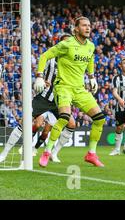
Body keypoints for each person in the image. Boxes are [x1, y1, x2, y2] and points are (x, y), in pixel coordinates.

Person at [35, 17, 105, 167]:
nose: (87, 28)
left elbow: (90, 59)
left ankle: (91, 154)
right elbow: (44, 56)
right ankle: (47, 152)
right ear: (76, 29)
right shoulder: (66, 44)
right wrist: (39, 76)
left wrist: (92, 77)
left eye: (89, 25)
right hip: (64, 87)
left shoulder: (91, 46)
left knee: (100, 119)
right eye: (84, 25)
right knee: (65, 117)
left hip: (80, 89)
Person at [0, 34, 75, 164]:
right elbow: (38, 74)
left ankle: (54, 153)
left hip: (60, 100)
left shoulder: (73, 63)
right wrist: (40, 80)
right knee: (25, 122)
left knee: (72, 124)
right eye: (65, 43)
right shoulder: (50, 60)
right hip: (44, 98)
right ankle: (4, 154)